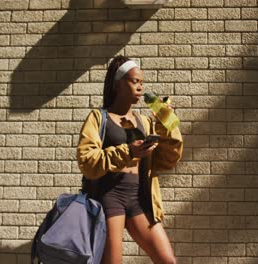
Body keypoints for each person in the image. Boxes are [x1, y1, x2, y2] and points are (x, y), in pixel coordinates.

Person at [76, 55, 183, 264]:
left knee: (167, 260)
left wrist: (166, 125)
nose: (140, 87)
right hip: (109, 197)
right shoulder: (99, 118)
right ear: (118, 84)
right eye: (135, 81)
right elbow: (86, 160)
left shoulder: (144, 122)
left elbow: (168, 160)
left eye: (142, 82)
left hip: (139, 198)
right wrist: (128, 152)